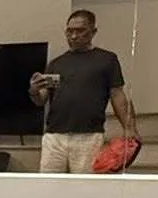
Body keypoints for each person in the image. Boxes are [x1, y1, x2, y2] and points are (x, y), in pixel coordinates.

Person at [29, 10, 137, 174]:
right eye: (70, 31)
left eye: (80, 31)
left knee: (85, 185)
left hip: (88, 136)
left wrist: (129, 128)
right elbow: (41, 99)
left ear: (93, 31)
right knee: (48, 184)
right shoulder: (56, 64)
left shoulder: (106, 59)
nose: (74, 36)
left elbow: (118, 95)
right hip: (54, 136)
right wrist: (34, 90)